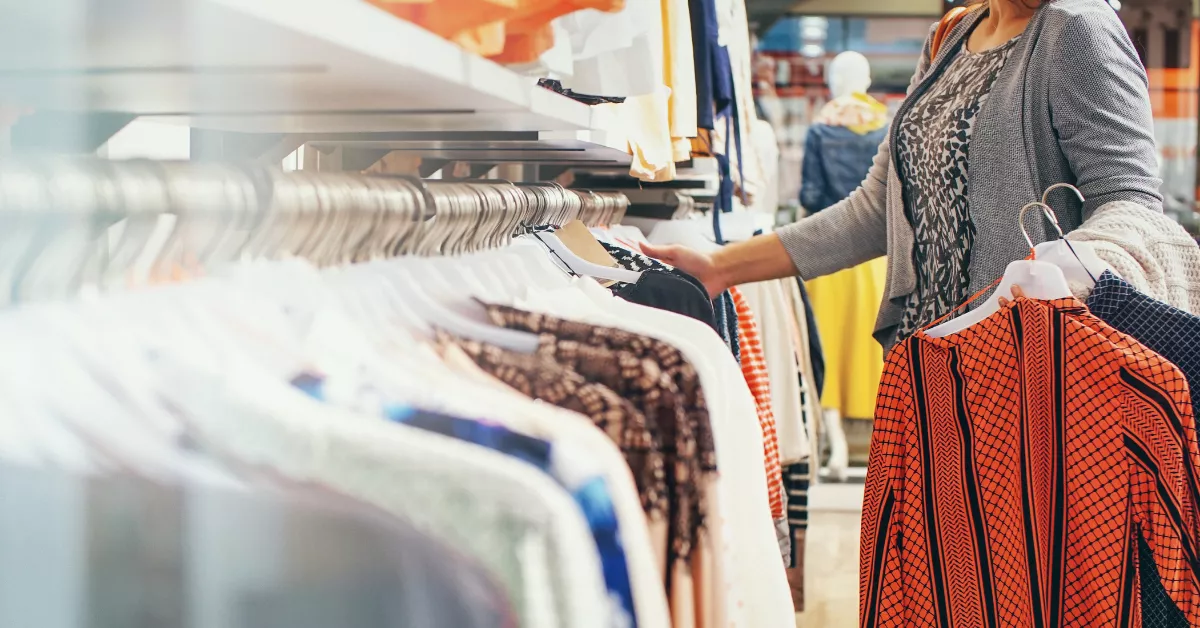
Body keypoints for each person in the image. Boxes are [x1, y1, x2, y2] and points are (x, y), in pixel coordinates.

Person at [642, 0, 1167, 349]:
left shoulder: (1076, 27)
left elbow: (1131, 203)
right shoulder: (952, 36)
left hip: (1026, 366)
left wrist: (1055, 283)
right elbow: (877, 210)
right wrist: (719, 267)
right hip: (925, 360)